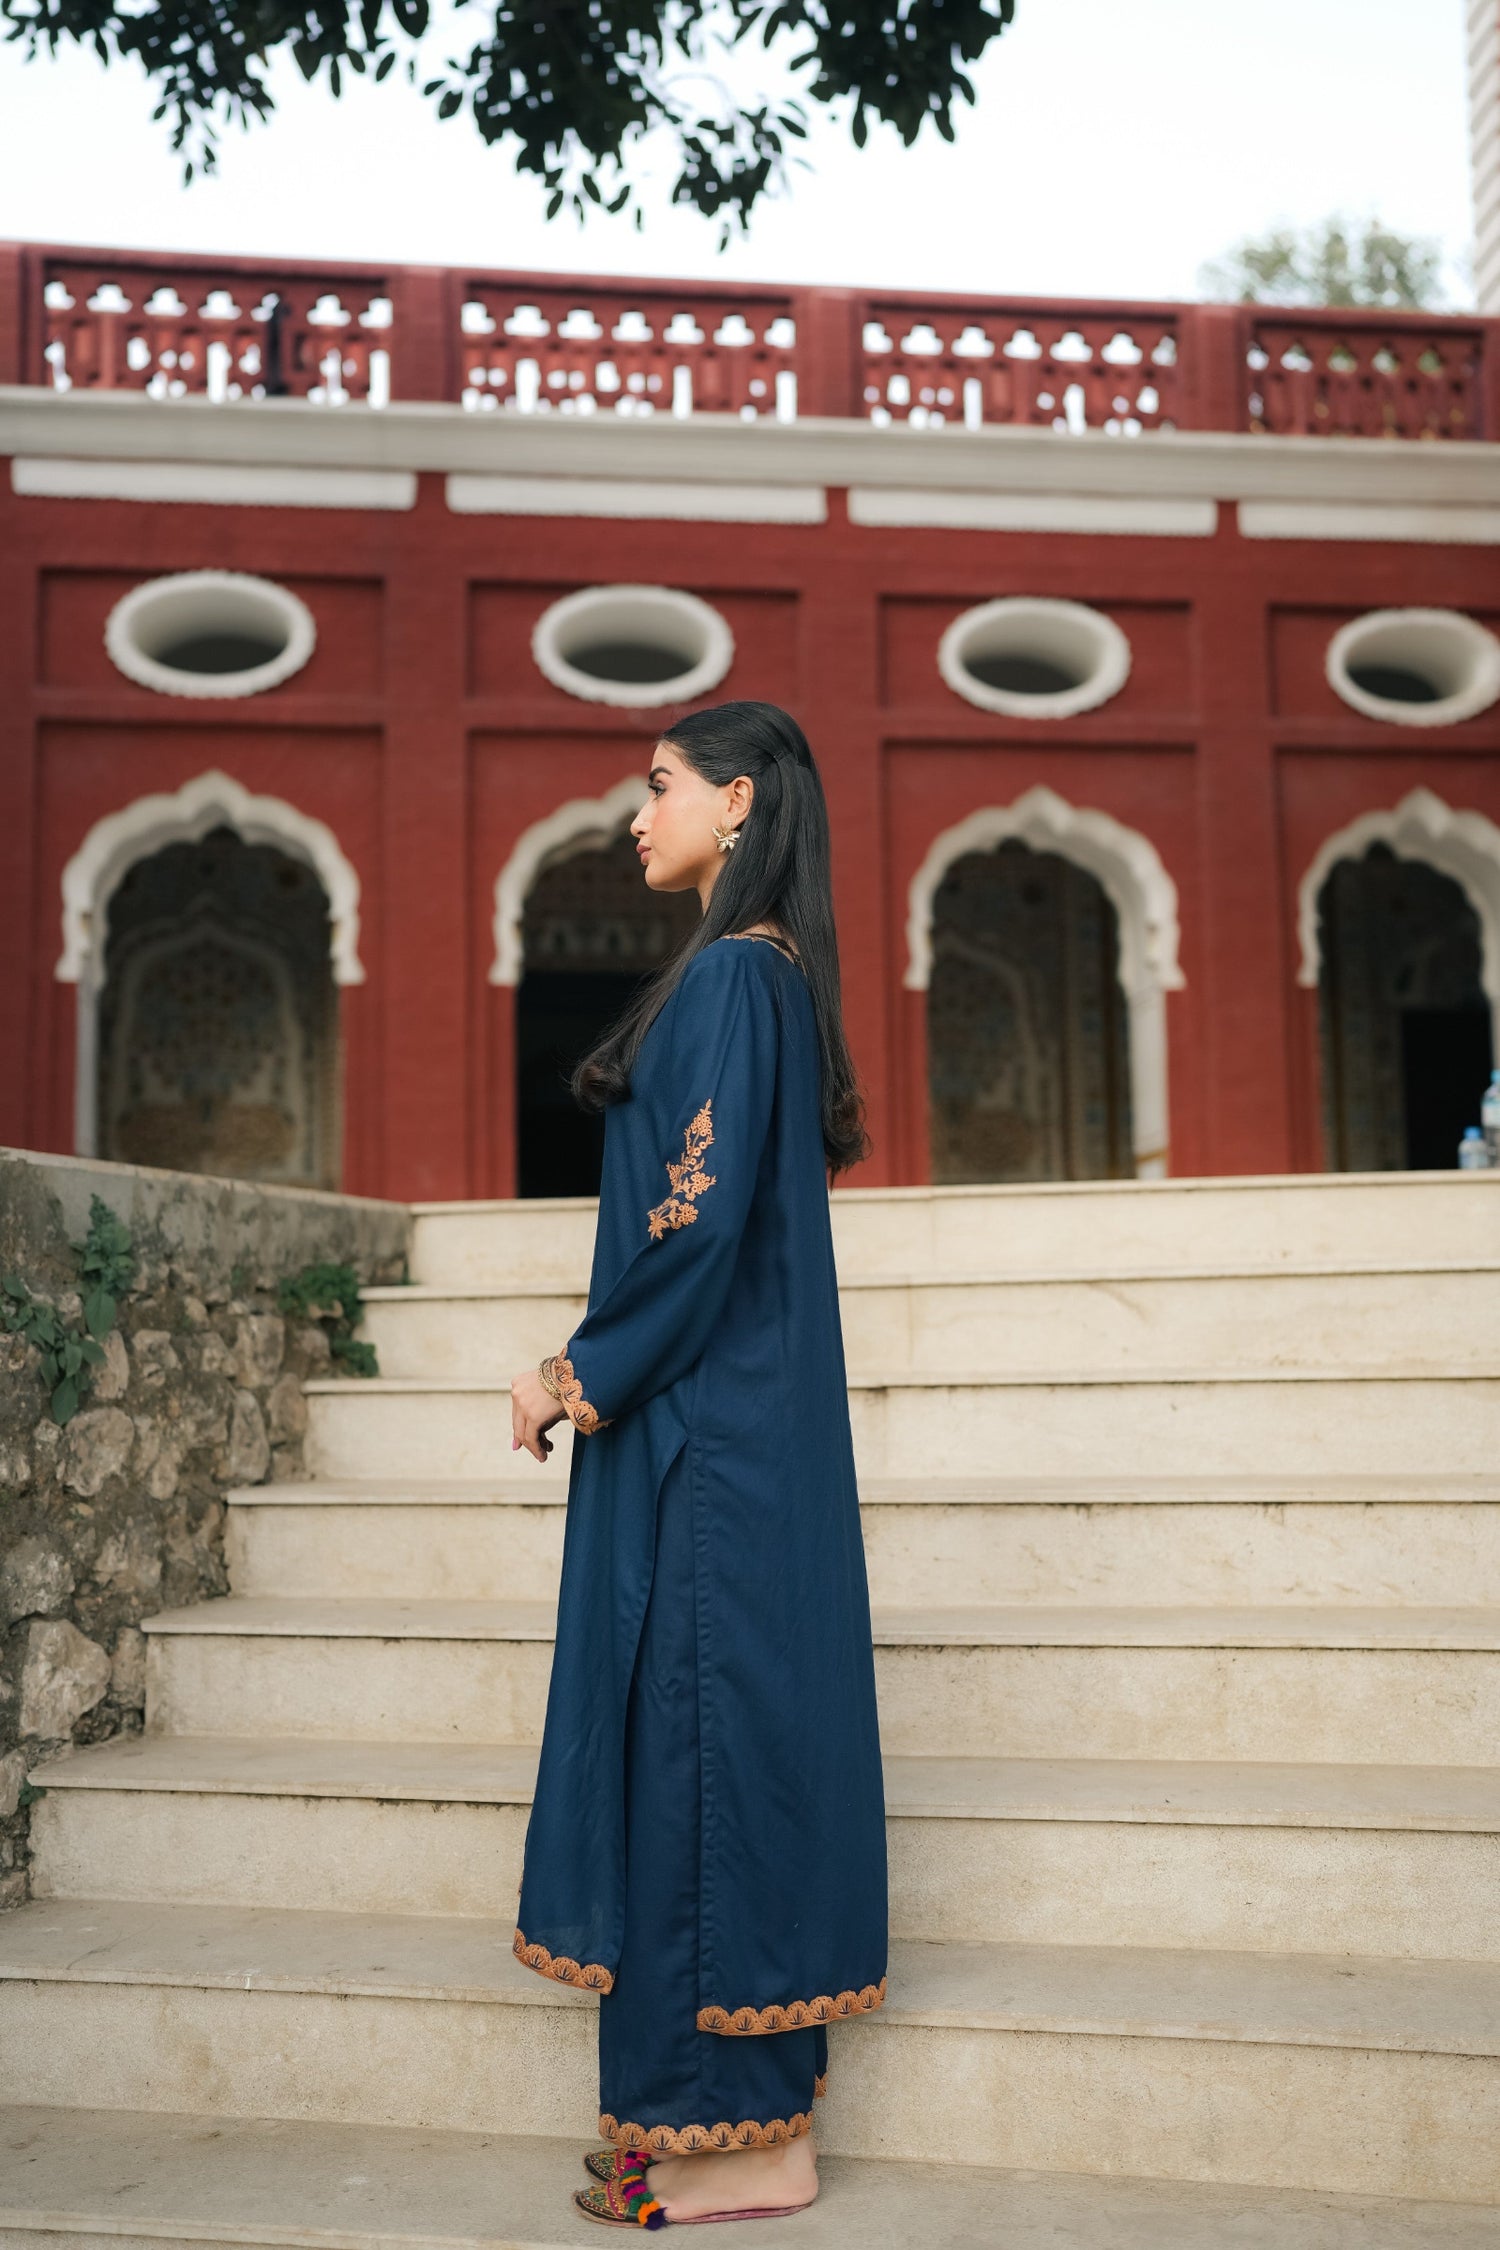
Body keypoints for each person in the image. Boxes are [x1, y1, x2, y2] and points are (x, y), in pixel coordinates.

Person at [509, 701, 888, 2229]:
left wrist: (571, 1371)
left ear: (740, 805)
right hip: (728, 1431)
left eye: (657, 786)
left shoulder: (739, 975)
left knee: (700, 1765)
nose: (633, 812)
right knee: (704, 1763)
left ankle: (748, 2137)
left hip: (712, 1450)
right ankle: (727, 2114)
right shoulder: (767, 975)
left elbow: (698, 1217)